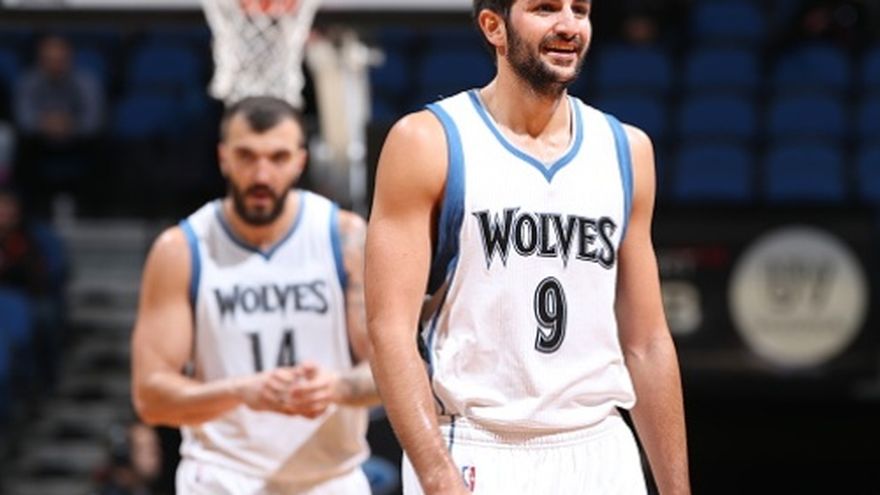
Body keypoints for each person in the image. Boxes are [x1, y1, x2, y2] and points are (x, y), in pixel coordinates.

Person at [365, 1, 689, 494]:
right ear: (493, 26)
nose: (569, 25)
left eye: (579, 10)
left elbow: (646, 342)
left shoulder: (627, 150)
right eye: (545, 8)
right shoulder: (428, 142)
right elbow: (389, 330)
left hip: (601, 445)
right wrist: (435, 474)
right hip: (476, 442)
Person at [131, 96, 379, 494]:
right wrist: (240, 392)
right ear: (223, 158)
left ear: (300, 161)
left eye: (278, 158)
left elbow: (391, 374)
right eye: (246, 156)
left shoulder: (345, 237)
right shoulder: (180, 249)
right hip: (220, 478)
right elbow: (150, 398)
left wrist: (335, 387)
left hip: (331, 479)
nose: (262, 174)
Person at [12, 34, 105, 215]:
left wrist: (69, 125)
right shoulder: (28, 81)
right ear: (40, 60)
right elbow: (23, 119)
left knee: (104, 145)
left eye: (60, 59)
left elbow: (93, 120)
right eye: (49, 59)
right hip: (39, 141)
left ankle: (93, 210)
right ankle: (30, 211)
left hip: (78, 140)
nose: (55, 64)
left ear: (70, 59)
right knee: (21, 144)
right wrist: (46, 124)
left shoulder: (86, 82)